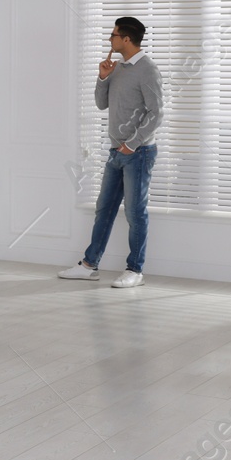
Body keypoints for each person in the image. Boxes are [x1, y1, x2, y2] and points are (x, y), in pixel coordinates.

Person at [60, 17, 164, 288]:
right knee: (104, 208)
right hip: (115, 152)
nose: (110, 39)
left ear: (126, 39)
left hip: (138, 153)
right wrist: (102, 77)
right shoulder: (116, 68)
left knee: (134, 212)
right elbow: (101, 104)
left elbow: (156, 113)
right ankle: (89, 265)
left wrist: (133, 143)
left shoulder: (148, 70)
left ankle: (135, 270)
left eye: (114, 34)